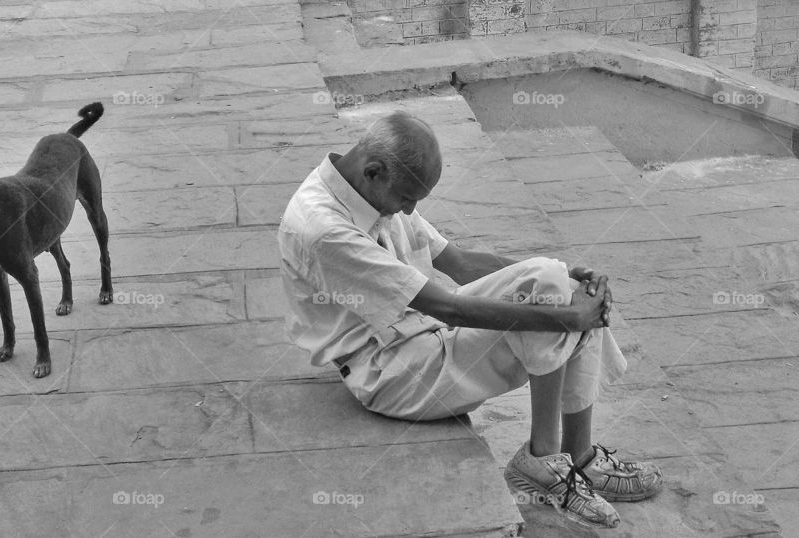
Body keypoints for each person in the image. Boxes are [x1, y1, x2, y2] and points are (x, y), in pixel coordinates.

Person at [277, 111, 662, 528]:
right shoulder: (323, 227)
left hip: (430, 336)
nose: (411, 209)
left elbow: (459, 263)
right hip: (396, 374)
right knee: (559, 310)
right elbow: (448, 307)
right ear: (373, 172)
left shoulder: (371, 188)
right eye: (408, 198)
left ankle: (579, 458)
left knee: (555, 283)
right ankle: (541, 460)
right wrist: (568, 317)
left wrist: (569, 281)